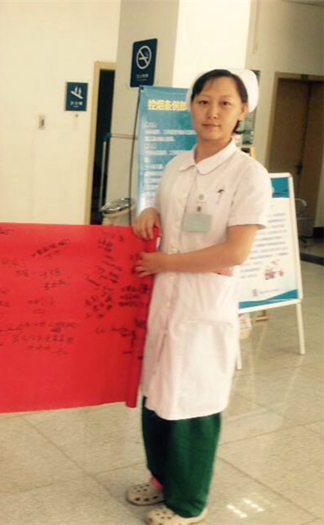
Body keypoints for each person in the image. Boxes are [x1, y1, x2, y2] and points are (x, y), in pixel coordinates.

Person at [127, 69, 272, 525]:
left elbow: (236, 251)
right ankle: (160, 479)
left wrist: (165, 263)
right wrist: (150, 210)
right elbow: (168, 213)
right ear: (190, 106)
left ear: (242, 112)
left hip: (203, 305)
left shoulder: (249, 175)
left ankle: (189, 503)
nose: (212, 112)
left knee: (194, 402)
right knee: (158, 392)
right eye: (204, 101)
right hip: (165, 300)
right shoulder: (176, 165)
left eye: (225, 103)